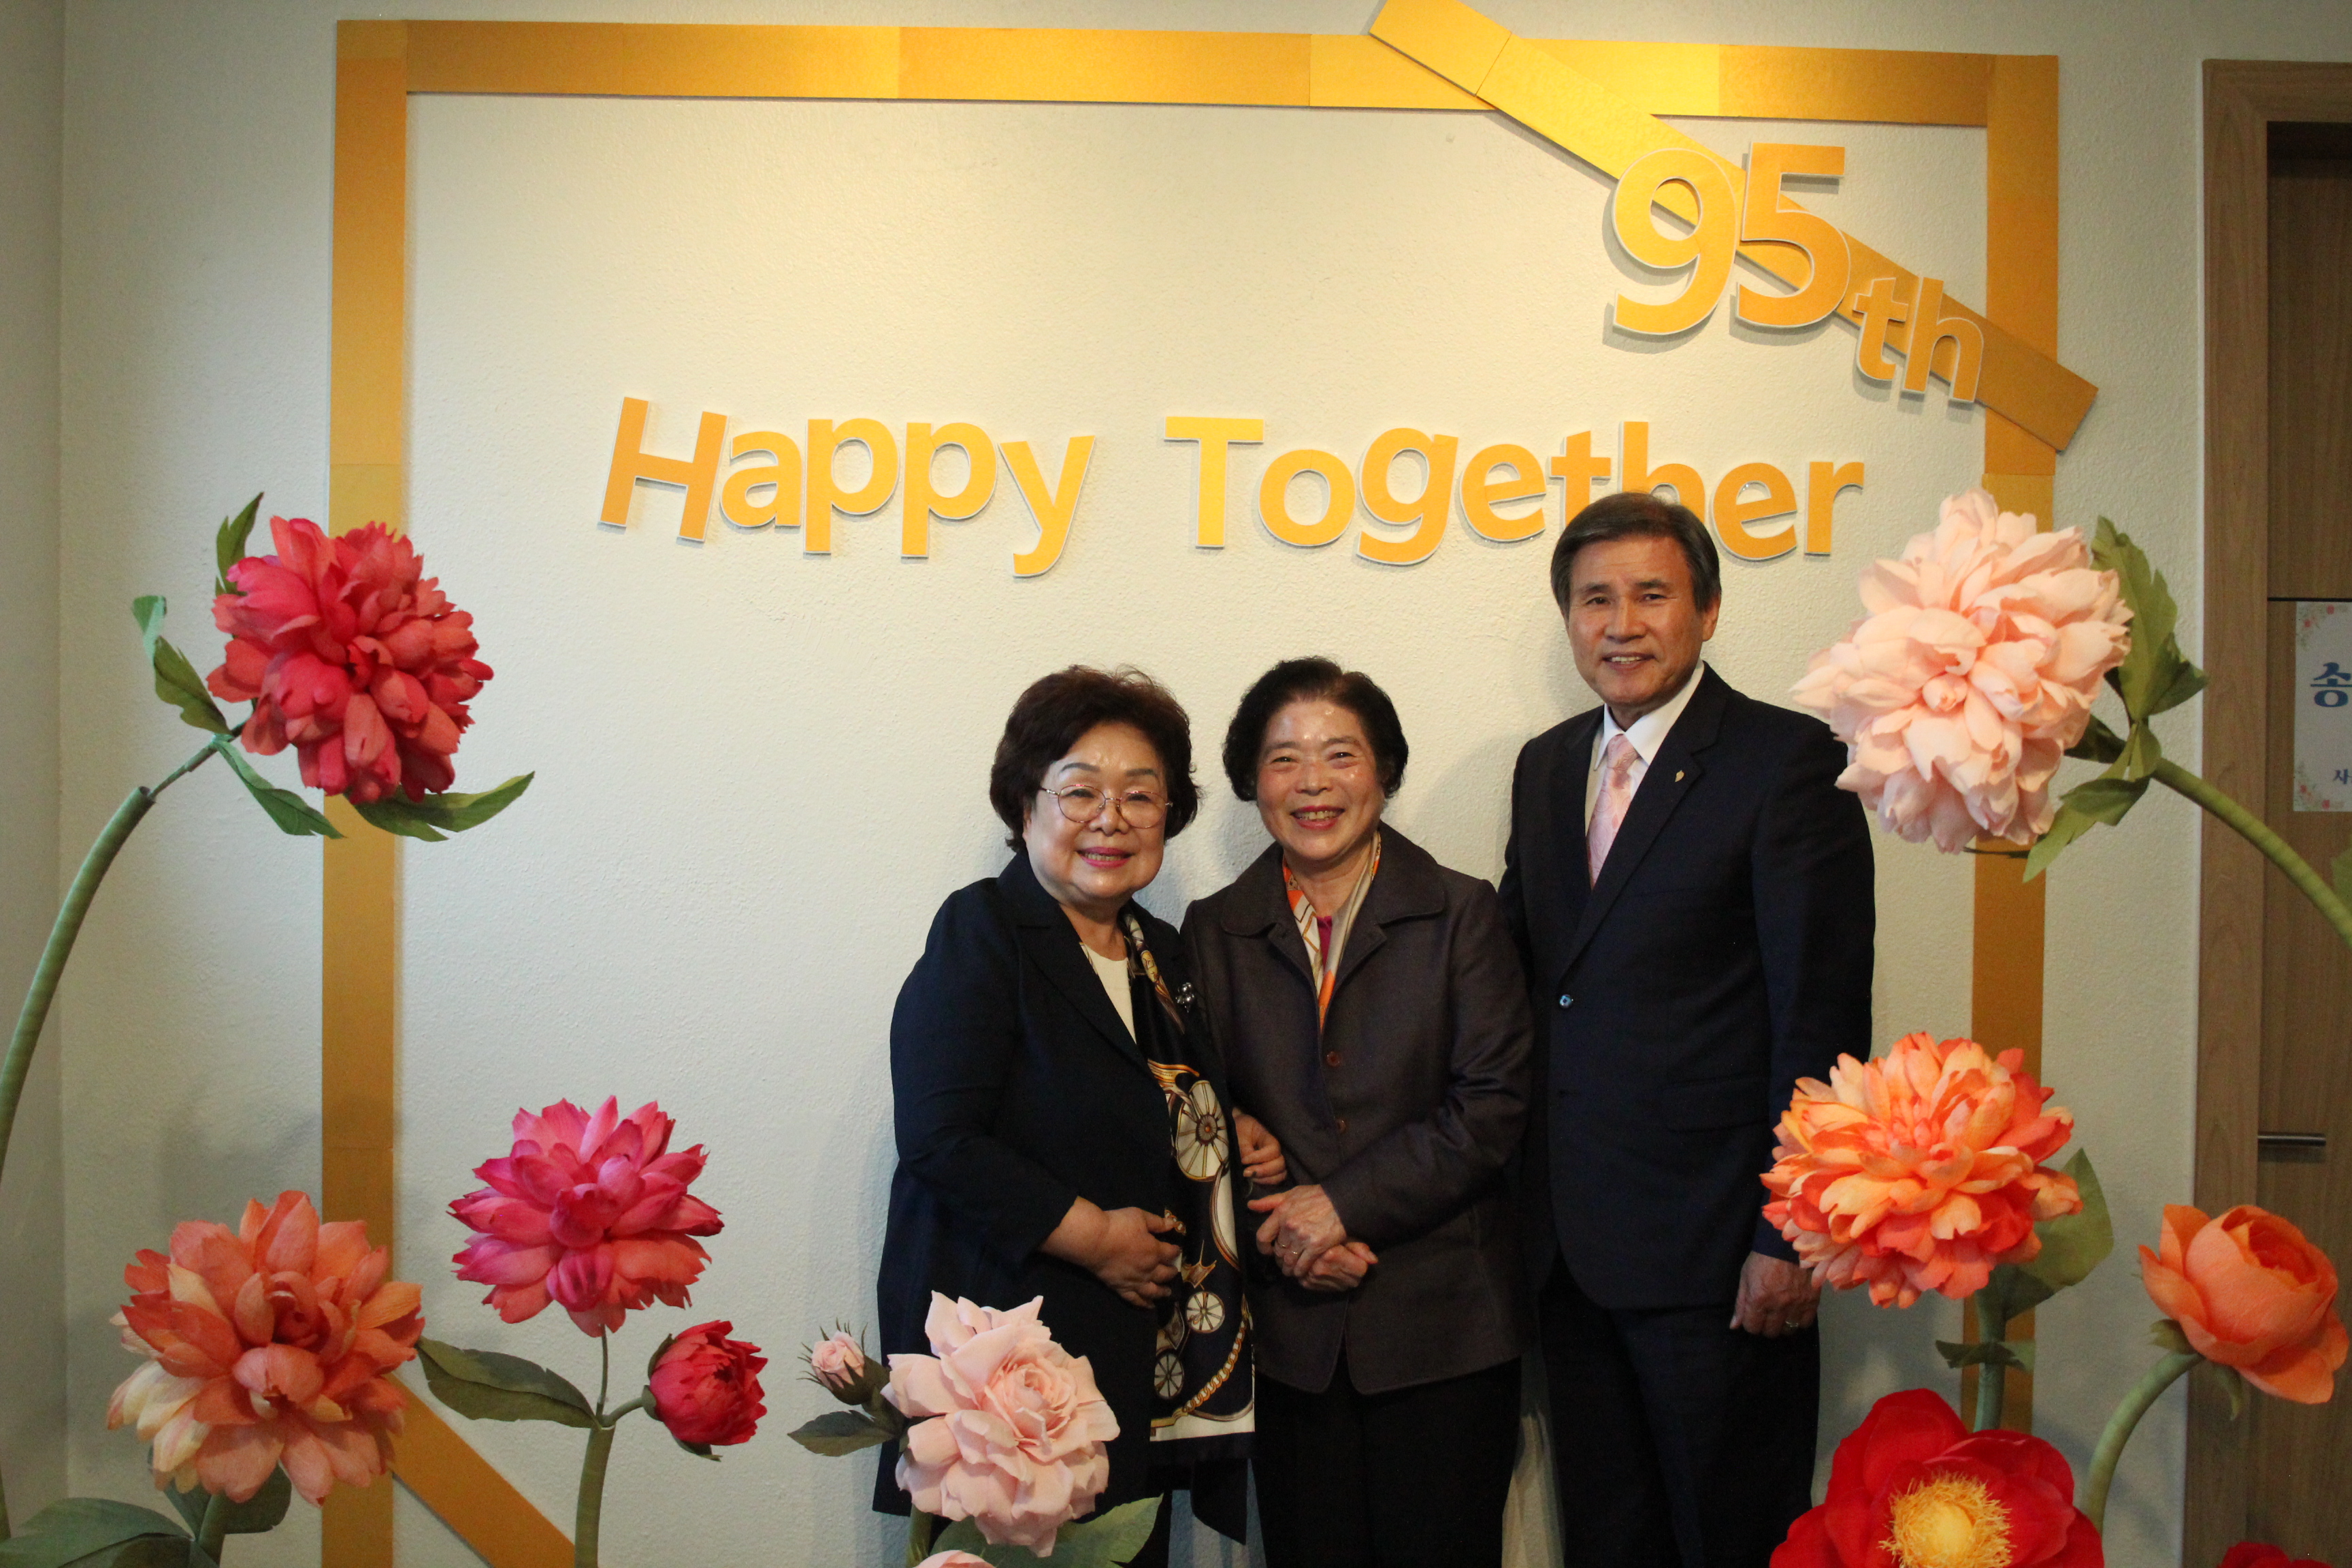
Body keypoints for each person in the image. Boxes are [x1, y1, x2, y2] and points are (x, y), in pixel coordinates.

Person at [1499, 493, 1875, 1568]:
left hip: (1721, 1255)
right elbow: (1525, 977)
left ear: (1707, 611)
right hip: (1571, 1253)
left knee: (1730, 1538)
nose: (1621, 625)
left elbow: (1821, 1017)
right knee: (1607, 1540)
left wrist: (1790, 1234)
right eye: (1594, 600)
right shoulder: (1547, 766)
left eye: (1651, 595)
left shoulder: (1788, 762)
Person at [875, 666, 1277, 1561]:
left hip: (1133, 1360)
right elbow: (940, 1138)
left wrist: (1226, 1128)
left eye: (1141, 795)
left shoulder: (1160, 953)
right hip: (1007, 1372)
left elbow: (1151, 1097)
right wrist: (1094, 1236)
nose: (1112, 817)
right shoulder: (984, 931)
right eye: (1081, 790)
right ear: (1026, 807)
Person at [1183, 657, 1534, 1568]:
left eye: (1341, 754)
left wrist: (1340, 1206)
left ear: (1385, 770)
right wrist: (1287, 1230)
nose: (1313, 783)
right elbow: (1198, 1113)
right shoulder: (1213, 929)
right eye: (1284, 759)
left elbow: (1492, 1106)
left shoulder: (1461, 913)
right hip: (1290, 1333)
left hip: (1445, 1328)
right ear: (1251, 780)